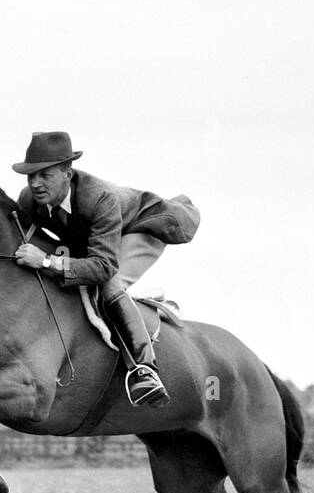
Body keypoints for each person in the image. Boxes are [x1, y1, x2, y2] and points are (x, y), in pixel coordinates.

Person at [11, 131, 200, 406]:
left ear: (67, 172)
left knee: (109, 284)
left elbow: (102, 267)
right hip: (95, 239)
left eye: (45, 175)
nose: (35, 184)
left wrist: (46, 261)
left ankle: (145, 370)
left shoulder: (99, 198)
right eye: (31, 176)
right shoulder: (29, 200)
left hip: (140, 228)